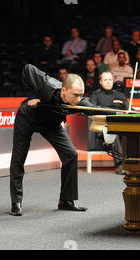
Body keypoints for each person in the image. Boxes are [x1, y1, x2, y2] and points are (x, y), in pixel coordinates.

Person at [9, 64, 95, 216]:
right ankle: (16, 203)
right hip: (28, 117)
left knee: (71, 155)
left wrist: (121, 114)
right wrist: (32, 95)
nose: (79, 99)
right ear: (64, 90)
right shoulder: (47, 84)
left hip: (50, 124)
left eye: (81, 95)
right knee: (18, 159)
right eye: (76, 95)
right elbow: (27, 68)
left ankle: (66, 200)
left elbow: (96, 109)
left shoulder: (78, 100)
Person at [89, 71, 129, 175]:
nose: (108, 82)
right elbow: (93, 110)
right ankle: (120, 166)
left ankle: (137, 164)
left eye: (110, 80)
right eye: (105, 80)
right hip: (103, 127)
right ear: (100, 82)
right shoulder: (95, 95)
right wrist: (113, 112)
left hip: (122, 125)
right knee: (112, 131)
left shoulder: (120, 95)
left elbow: (128, 109)